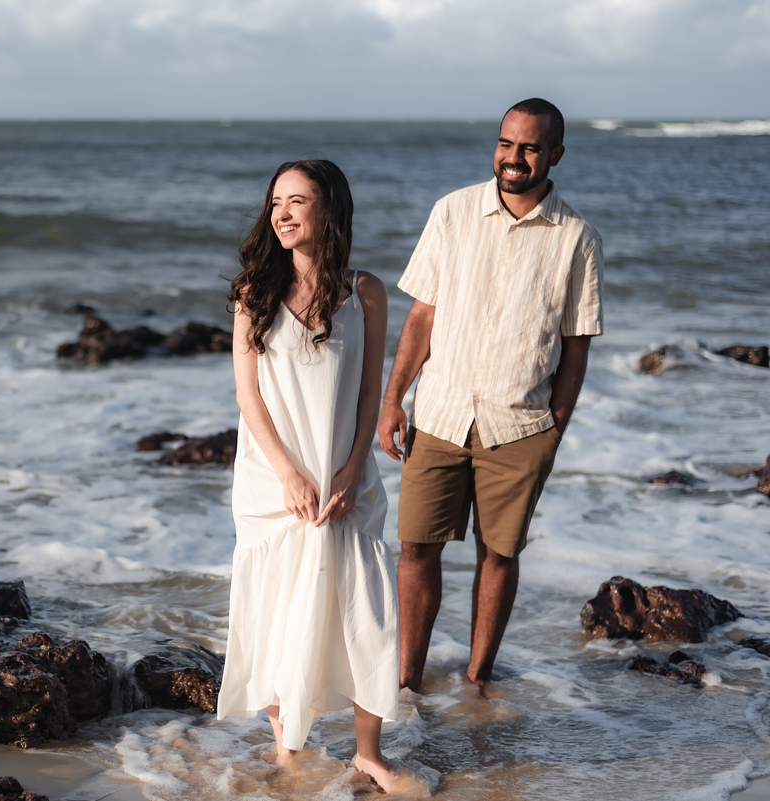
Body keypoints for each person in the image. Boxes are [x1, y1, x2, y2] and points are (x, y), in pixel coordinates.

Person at [377, 98, 603, 693]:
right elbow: (422, 317)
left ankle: (478, 681)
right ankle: (407, 682)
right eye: (506, 143)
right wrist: (393, 398)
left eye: (530, 147)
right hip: (440, 414)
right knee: (416, 548)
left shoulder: (578, 239)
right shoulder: (451, 212)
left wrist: (554, 430)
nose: (514, 157)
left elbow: (575, 347)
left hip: (521, 426)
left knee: (499, 555)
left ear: (555, 154)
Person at [215, 159, 401, 792]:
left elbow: (371, 390)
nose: (282, 213)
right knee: (278, 606)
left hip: (347, 477)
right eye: (276, 203)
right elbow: (248, 396)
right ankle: (286, 745)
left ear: (330, 207)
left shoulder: (366, 291)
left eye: (297, 200)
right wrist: (289, 475)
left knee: (366, 610)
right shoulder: (254, 292)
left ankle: (369, 754)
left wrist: (350, 468)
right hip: (274, 482)